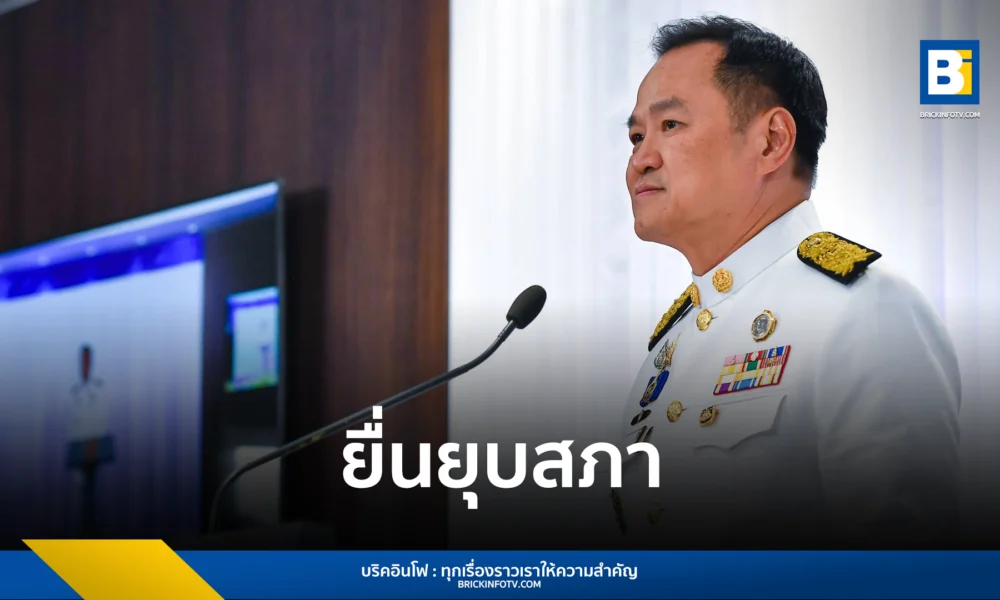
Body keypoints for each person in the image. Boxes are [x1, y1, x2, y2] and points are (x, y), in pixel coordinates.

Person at [613, 15, 961, 548]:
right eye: (636, 136)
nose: (641, 159)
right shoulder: (669, 346)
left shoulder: (866, 311)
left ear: (772, 141)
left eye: (671, 126)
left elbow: (903, 570)